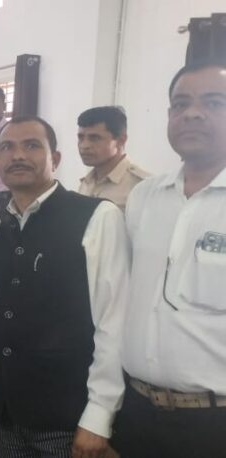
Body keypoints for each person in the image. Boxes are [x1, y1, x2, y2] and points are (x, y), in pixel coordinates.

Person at [0, 116, 128, 458]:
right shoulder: (2, 225)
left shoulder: (97, 216)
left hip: (67, 416)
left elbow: (114, 322)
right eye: (7, 147)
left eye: (31, 145)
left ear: (55, 158)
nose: (18, 155)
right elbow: (1, 305)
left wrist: (98, 415)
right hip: (8, 411)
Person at [111, 60, 226, 458]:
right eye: (180, 104)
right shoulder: (146, 195)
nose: (192, 113)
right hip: (138, 411)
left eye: (214, 102)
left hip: (214, 424)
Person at [76, 106, 149, 209]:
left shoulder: (141, 186)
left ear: (121, 141)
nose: (84, 145)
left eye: (95, 138)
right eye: (81, 137)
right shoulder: (86, 183)